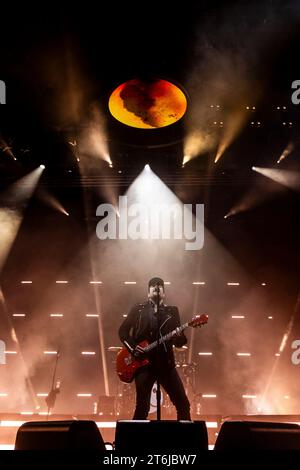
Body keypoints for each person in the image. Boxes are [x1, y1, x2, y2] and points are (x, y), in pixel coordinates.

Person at [118, 277, 191, 420]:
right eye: (152, 286)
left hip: (166, 364)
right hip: (143, 365)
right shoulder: (138, 309)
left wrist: (178, 336)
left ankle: (185, 441)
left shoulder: (172, 311)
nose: (156, 287)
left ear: (164, 293)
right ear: (148, 293)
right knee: (142, 407)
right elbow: (123, 331)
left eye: (160, 286)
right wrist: (133, 349)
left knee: (183, 404)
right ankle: (135, 441)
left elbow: (180, 342)